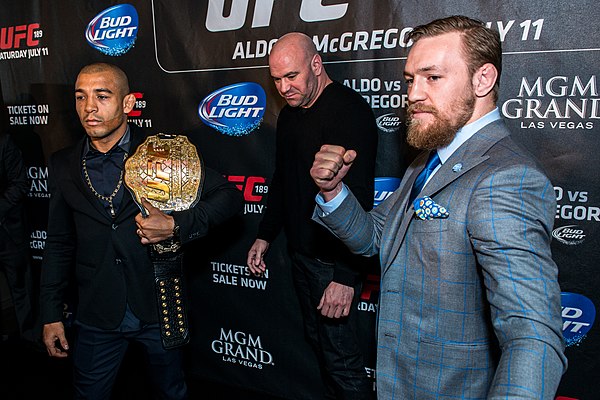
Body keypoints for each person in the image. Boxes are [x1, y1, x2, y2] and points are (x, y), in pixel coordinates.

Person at [310, 16, 567, 399]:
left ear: (482, 80)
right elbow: (376, 239)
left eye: (432, 78)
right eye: (410, 79)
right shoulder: (426, 160)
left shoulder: (507, 177)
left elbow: (532, 334)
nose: (413, 93)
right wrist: (333, 191)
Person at [39, 62, 243, 399]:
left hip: (159, 304)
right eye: (80, 97)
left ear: (128, 103)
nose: (89, 107)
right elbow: (59, 243)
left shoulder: (162, 153)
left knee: (171, 392)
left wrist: (176, 225)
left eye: (102, 96)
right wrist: (50, 312)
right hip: (95, 310)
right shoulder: (63, 164)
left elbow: (229, 197)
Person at [246, 32, 378, 399]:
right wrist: (265, 234)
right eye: (276, 79)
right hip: (302, 255)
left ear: (316, 66)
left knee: (342, 360)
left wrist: (344, 276)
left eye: (292, 76)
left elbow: (360, 200)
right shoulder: (290, 115)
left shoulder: (350, 112)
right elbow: (284, 179)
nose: (284, 87)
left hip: (332, 263)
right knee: (320, 347)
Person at [0, 132, 36, 342]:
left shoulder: (4, 142)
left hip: (7, 231)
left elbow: (20, 184)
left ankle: (31, 339)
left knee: (21, 286)